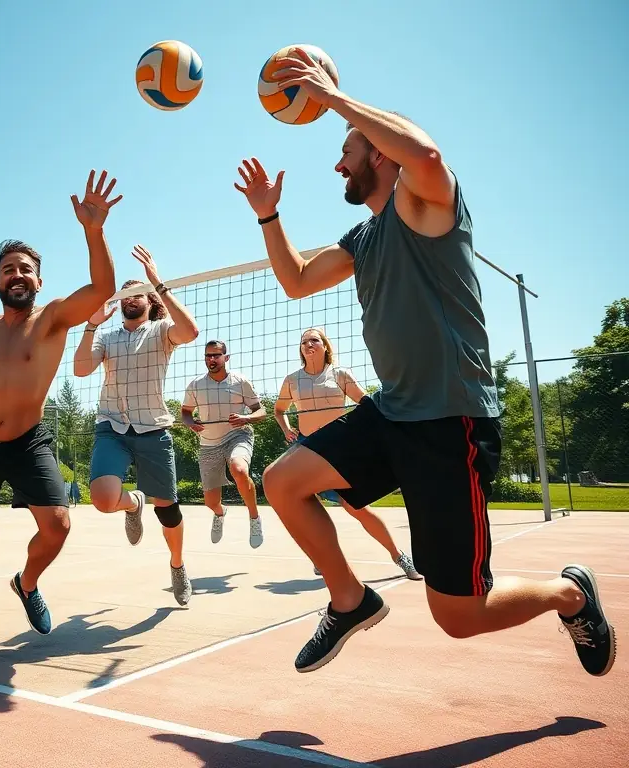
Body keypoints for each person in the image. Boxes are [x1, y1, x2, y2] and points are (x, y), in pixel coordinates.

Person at [233, 49, 615, 677]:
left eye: (347, 153)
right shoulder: (363, 236)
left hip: (449, 421)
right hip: (393, 411)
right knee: (282, 481)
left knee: (459, 615)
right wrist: (268, 216)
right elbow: (297, 281)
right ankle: (350, 599)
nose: (338, 162)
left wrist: (331, 99)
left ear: (380, 155)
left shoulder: (429, 205)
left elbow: (428, 157)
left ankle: (571, 594)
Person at [0, 169, 121, 635]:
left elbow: (101, 290)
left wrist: (94, 232)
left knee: (58, 525)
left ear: (38, 280)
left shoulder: (53, 319)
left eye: (24, 269)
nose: (16, 275)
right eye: (7, 270)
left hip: (26, 443)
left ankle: (27, 582)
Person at [73, 245, 200, 606]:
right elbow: (81, 369)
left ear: (148, 300)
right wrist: (92, 323)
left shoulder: (161, 331)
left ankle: (177, 565)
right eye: (125, 293)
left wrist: (159, 282)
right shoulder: (107, 337)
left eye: (137, 292)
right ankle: (132, 505)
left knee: (168, 510)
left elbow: (190, 331)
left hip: (153, 429)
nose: (130, 297)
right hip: (112, 427)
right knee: (101, 500)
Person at [274, 327, 421, 580]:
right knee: (304, 506)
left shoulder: (340, 374)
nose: (308, 344)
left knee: (356, 508)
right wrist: (287, 429)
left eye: (314, 340)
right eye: (303, 341)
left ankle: (399, 557)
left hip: (338, 448)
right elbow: (279, 410)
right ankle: (323, 559)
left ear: (325, 346)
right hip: (307, 447)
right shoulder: (292, 379)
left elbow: (365, 404)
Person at [181, 340, 265, 549]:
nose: (211, 359)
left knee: (238, 469)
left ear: (226, 358)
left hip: (237, 435)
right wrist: (190, 423)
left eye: (216, 355)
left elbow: (261, 411)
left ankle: (254, 518)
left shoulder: (240, 381)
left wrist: (246, 418)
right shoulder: (195, 385)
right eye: (208, 355)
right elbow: (185, 412)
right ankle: (220, 513)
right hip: (208, 443)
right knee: (210, 501)